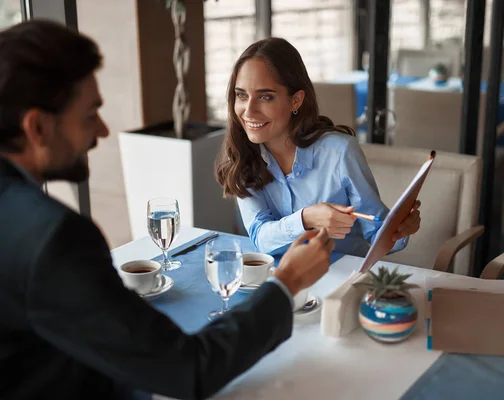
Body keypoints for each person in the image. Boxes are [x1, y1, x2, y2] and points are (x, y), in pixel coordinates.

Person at [0, 20, 334, 400]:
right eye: (90, 114)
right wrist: (286, 283)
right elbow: (189, 370)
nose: (104, 131)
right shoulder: (54, 239)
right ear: (38, 128)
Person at [216, 37, 421, 257]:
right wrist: (306, 218)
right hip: (281, 279)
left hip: (340, 280)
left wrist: (400, 230)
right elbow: (260, 238)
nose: (249, 110)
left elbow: (376, 231)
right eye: (241, 95)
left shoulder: (340, 153)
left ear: (296, 100)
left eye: (265, 96)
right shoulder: (243, 155)